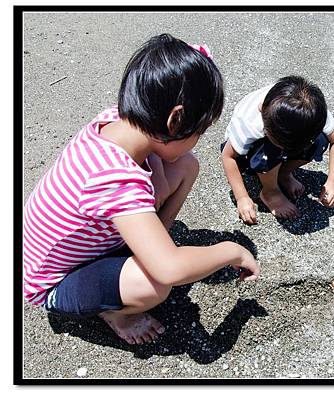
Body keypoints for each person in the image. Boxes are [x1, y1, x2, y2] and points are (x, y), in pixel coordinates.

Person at [23, 34, 260, 345]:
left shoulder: (119, 119)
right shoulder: (115, 180)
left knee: (186, 165)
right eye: (200, 130)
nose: (199, 138)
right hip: (58, 280)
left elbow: (161, 163)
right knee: (155, 284)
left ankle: (153, 238)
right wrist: (231, 250)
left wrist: (159, 185)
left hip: (93, 242)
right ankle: (115, 314)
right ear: (175, 121)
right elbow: (170, 270)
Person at [221, 76, 334, 224]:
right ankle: (270, 192)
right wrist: (242, 198)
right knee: (270, 150)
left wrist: (332, 182)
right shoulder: (250, 123)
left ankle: (283, 173)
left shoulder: (313, 113)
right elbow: (228, 156)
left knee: (320, 141)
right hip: (246, 154)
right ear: (261, 109)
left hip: (282, 136)